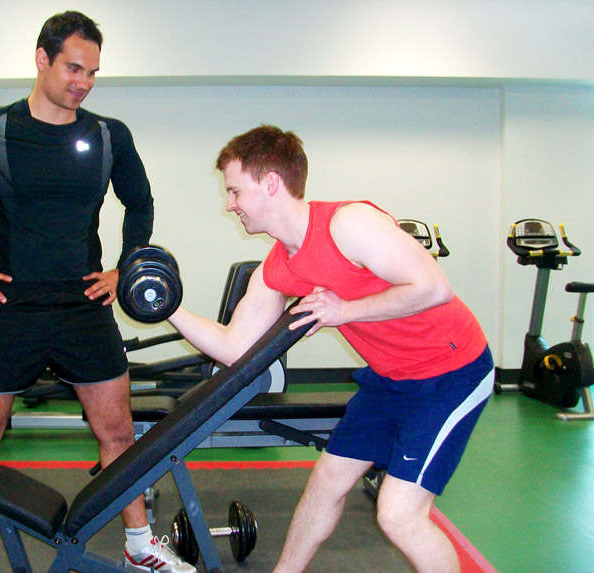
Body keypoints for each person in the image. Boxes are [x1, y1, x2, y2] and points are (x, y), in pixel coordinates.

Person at [0, 11, 194, 573]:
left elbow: (140, 203)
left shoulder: (109, 135)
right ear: (42, 59)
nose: (84, 82)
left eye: (93, 72)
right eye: (73, 68)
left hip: (83, 307)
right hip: (5, 307)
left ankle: (139, 549)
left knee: (118, 431)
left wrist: (124, 267)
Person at [167, 125, 493, 573]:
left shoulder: (348, 224)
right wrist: (167, 306)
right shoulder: (277, 267)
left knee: (399, 515)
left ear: (270, 183)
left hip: (450, 373)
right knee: (325, 484)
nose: (230, 204)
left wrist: (346, 310)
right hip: (389, 380)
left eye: (235, 191)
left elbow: (434, 288)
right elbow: (235, 347)